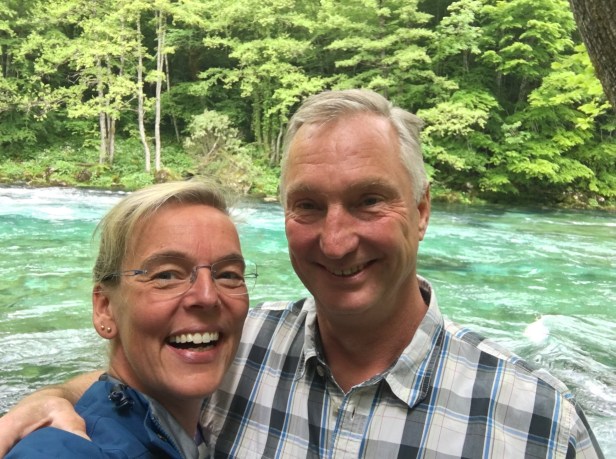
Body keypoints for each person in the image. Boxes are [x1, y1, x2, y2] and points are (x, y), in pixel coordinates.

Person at [0, 89, 604, 458]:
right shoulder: (235, 347)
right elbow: (136, 379)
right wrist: (51, 399)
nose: (336, 241)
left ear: (422, 211)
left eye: (369, 200)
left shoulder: (538, 422)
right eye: (308, 206)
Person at [5, 180, 253, 458]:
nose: (207, 296)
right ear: (105, 308)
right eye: (166, 275)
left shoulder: (182, 426)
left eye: (228, 274)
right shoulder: (70, 448)